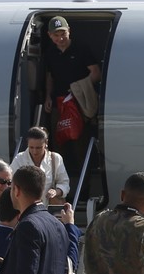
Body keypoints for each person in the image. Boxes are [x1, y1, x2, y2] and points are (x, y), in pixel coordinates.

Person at [42, 17, 102, 196]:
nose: (60, 38)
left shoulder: (81, 49)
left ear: (69, 32)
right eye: (56, 35)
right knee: (58, 144)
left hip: (77, 103)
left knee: (79, 144)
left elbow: (96, 72)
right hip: (59, 103)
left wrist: (79, 88)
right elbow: (50, 76)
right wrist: (47, 97)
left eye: (63, 34)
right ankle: (59, 188)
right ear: (49, 35)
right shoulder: (50, 53)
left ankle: (84, 189)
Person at [10, 127, 71, 204]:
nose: (34, 152)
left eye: (38, 148)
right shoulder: (19, 158)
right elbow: (11, 183)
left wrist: (56, 192)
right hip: (25, 209)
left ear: (46, 143)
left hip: (47, 210)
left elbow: (64, 183)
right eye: (31, 147)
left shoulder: (55, 158)